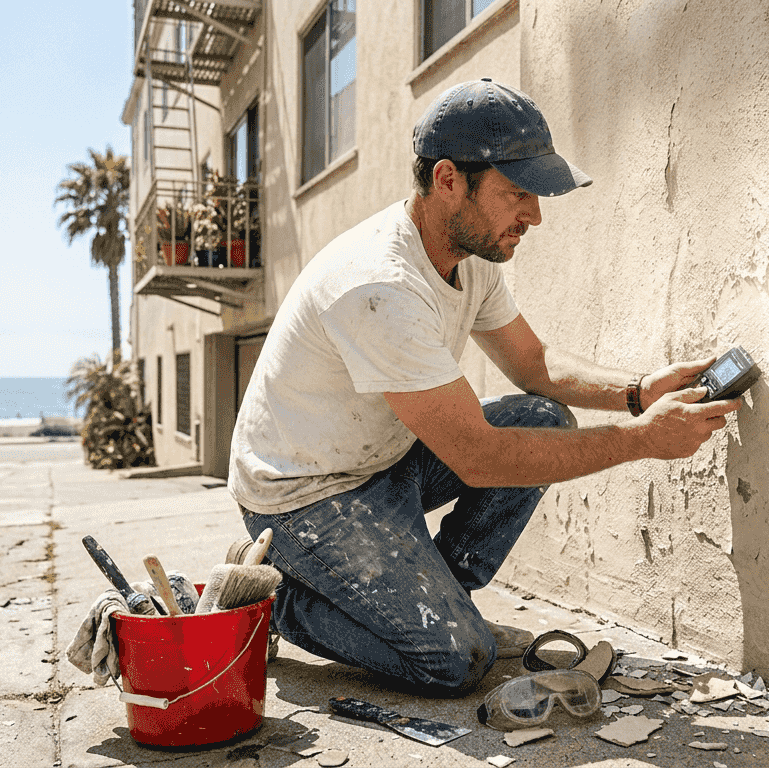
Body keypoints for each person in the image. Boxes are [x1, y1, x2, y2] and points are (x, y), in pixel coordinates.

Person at [227, 78, 742, 696]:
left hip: (384, 462)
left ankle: (435, 603)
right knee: (455, 663)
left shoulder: (469, 253)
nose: (535, 215)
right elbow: (479, 457)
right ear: (449, 180)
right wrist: (642, 440)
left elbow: (533, 365)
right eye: (517, 193)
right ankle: (274, 601)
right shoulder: (380, 285)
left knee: (542, 416)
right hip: (305, 497)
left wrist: (637, 393)